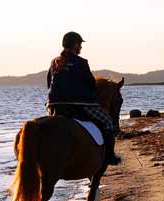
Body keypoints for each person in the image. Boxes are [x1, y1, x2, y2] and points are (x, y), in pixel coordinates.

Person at [46, 31, 121, 165]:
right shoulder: (81, 62)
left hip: (54, 105)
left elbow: (48, 82)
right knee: (108, 122)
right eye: (80, 44)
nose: (81, 47)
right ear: (75, 45)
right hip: (77, 104)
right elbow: (91, 83)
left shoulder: (54, 62)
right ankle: (110, 156)